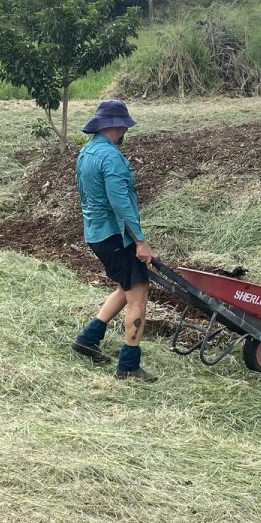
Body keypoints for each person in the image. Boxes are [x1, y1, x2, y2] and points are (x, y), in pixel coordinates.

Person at [72, 99, 157, 382]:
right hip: (115, 235)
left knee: (127, 285)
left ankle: (88, 338)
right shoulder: (111, 158)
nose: (125, 133)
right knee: (139, 294)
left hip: (96, 233)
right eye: (124, 127)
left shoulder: (87, 152)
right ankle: (129, 365)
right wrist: (140, 241)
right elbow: (121, 204)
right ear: (118, 126)